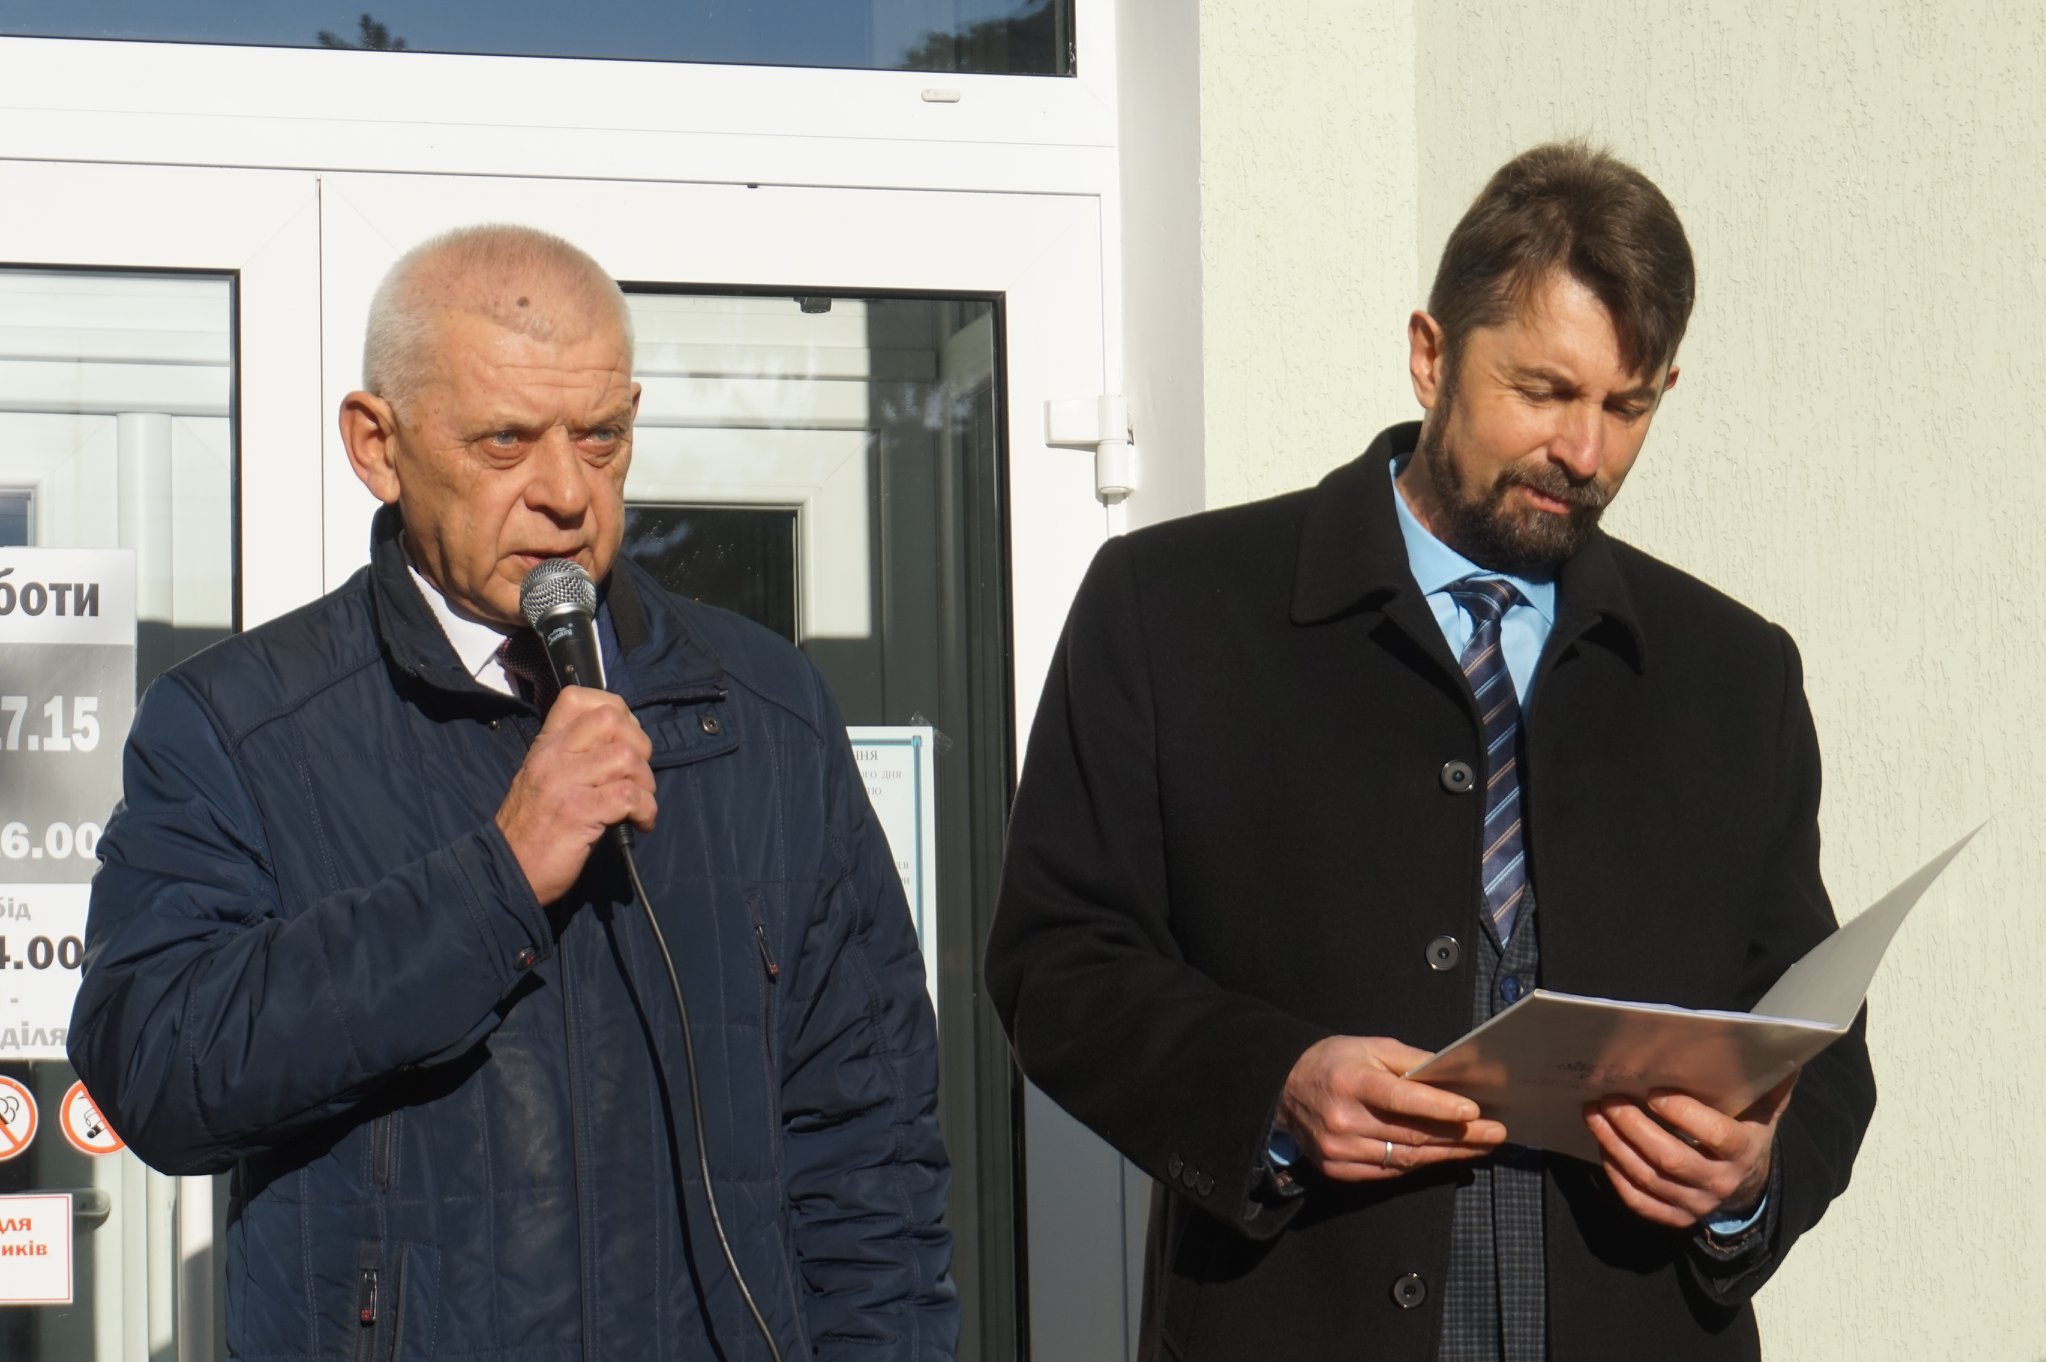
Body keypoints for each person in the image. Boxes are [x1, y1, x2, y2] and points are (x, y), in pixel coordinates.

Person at [984, 142, 1875, 1361]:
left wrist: (1749, 1180)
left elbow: (1817, 1039)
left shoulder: (1735, 671)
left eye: (1628, 407)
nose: (1586, 453)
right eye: (1544, 391)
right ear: (1430, 353)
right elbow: (1058, 963)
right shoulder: (1170, 609)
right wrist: (1274, 1084)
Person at [70, 225, 957, 1361]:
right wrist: (493, 884)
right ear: (378, 446)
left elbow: (873, 1152)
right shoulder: (238, 724)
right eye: (505, 441)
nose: (566, 493)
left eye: (601, 437)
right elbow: (157, 1071)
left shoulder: (765, 711)